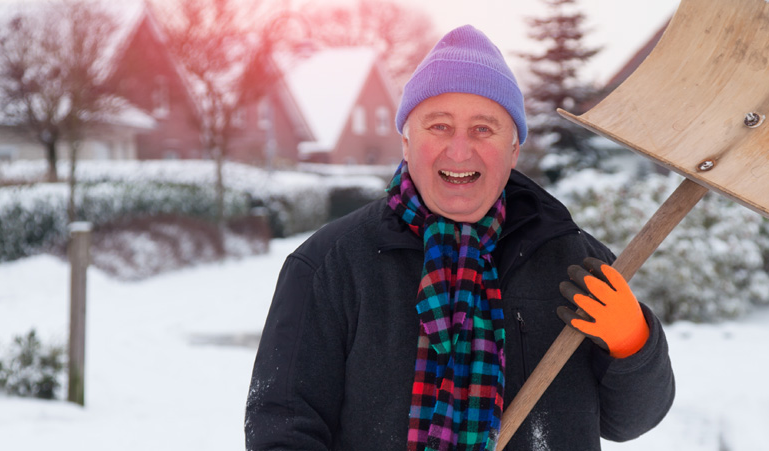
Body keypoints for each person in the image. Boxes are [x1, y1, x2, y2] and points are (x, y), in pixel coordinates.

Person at [245, 25, 674, 451]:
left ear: (514, 149)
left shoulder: (573, 262)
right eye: (439, 126)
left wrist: (635, 345)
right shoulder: (331, 266)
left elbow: (629, 422)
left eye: (484, 129)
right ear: (407, 142)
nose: (459, 151)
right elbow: (282, 427)